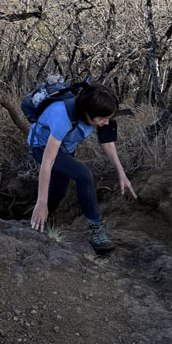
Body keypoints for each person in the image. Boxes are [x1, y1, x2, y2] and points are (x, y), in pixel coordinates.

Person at [28, 83, 137, 252]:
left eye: (108, 118)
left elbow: (107, 143)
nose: (106, 122)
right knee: (83, 174)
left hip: (65, 149)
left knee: (59, 190)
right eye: (102, 119)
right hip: (41, 146)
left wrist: (121, 174)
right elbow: (48, 162)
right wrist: (40, 202)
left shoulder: (100, 113)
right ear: (87, 113)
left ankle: (41, 220)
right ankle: (96, 228)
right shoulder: (62, 116)